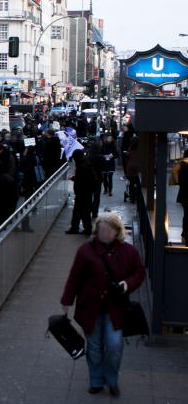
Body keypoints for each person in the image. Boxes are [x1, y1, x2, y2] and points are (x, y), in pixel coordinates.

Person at [60, 213, 145, 397]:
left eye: (109, 230)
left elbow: (139, 272)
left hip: (115, 308)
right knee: (95, 347)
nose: (104, 234)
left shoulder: (128, 252)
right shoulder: (85, 251)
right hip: (90, 308)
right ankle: (97, 380)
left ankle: (112, 379)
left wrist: (126, 284)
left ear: (117, 232)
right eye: (102, 230)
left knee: (114, 345)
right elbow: (75, 277)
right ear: (97, 230)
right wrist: (67, 300)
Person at [67, 149, 94, 235]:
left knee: (81, 211)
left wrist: (75, 179)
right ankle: (81, 228)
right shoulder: (85, 164)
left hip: (82, 193)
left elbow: (82, 180)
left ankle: (80, 228)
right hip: (86, 193)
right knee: (81, 211)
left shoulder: (82, 166)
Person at [177, 150, 188, 245]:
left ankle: (185, 232)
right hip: (186, 195)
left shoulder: (182, 165)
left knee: (186, 214)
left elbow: (180, 181)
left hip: (184, 195)